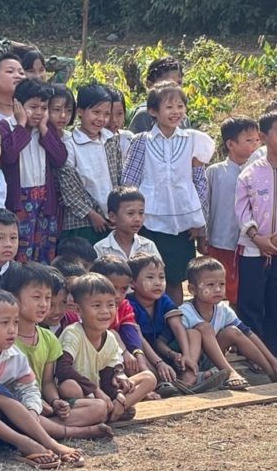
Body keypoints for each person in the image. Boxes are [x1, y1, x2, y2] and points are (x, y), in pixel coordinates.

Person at [0, 288, 84, 468]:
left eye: (15, 322)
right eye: (4, 323)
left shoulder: (15, 356)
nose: (12, 330)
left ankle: (49, 443)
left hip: (5, 423)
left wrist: (31, 413)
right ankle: (25, 444)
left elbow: (29, 388)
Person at [122, 82, 214, 303]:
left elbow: (199, 181)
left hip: (182, 221)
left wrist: (198, 220)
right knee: (146, 277)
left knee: (174, 278)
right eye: (169, 107)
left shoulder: (193, 140)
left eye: (180, 106)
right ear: (153, 111)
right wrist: (130, 217)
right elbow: (129, 182)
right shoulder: (141, 141)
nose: (176, 112)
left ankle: (175, 329)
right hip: (148, 221)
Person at [6, 263, 111, 441]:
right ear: (15, 299)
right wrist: (35, 403)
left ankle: (43, 428)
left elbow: (47, 383)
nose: (44, 305)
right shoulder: (7, 339)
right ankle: (74, 432)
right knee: (20, 414)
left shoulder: (48, 338)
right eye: (36, 297)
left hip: (45, 407)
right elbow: (8, 386)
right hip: (20, 405)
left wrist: (56, 402)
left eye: (47, 298)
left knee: (99, 407)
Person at [234, 109, 277, 359]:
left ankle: (276, 350)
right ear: (263, 136)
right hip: (252, 247)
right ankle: (253, 354)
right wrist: (256, 238)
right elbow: (241, 208)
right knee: (250, 299)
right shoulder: (250, 172)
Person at [182, 256, 277, 391]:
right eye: (210, 285)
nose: (218, 289)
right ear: (192, 289)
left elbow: (249, 334)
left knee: (233, 331)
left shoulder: (223, 309)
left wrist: (273, 361)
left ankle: (273, 372)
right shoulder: (185, 312)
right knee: (202, 329)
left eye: (222, 284)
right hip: (187, 361)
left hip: (212, 359)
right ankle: (227, 373)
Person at [56, 274, 157, 422]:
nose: (105, 311)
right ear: (78, 309)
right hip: (81, 395)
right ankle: (101, 413)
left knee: (149, 378)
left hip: (99, 394)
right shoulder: (73, 333)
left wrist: (117, 396)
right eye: (96, 306)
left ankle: (113, 410)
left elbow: (107, 379)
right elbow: (62, 369)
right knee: (69, 387)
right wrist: (95, 390)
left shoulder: (110, 338)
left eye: (111, 305)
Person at [126, 253, 227, 394]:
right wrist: (159, 363)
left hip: (164, 350)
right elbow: (138, 338)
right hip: (143, 352)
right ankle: (163, 384)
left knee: (193, 333)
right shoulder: (128, 304)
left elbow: (177, 326)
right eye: (150, 277)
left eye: (161, 277)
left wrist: (186, 355)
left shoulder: (163, 299)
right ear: (132, 283)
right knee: (139, 356)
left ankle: (189, 376)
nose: (157, 282)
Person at [0, 78, 67, 263]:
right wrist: (21, 125)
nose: (39, 113)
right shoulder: (6, 127)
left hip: (45, 200)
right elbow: (8, 156)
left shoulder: (45, 129)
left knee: (44, 251)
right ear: (17, 105)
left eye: (43, 108)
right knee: (20, 250)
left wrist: (44, 128)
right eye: (33, 107)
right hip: (19, 201)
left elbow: (60, 158)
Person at [204, 116, 260, 305]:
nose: (255, 145)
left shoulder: (259, 171)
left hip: (249, 243)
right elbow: (206, 206)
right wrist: (202, 236)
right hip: (220, 240)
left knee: (243, 292)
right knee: (217, 288)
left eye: (257, 140)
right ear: (231, 144)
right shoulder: (215, 172)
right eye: (249, 140)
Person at [58, 83, 122, 245]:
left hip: (111, 219)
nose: (101, 119)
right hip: (82, 221)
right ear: (80, 111)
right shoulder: (69, 144)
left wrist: (117, 210)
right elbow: (69, 187)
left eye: (106, 114)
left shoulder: (110, 140)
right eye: (96, 112)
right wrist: (92, 213)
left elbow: (119, 177)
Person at [92, 186, 161, 262]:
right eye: (130, 213)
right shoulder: (101, 248)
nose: (137, 219)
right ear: (112, 217)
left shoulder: (148, 246)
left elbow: (159, 272)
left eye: (141, 213)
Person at [128, 56, 186, 133]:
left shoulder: (181, 116)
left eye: (178, 83)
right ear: (150, 84)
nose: (174, 89)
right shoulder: (145, 115)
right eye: (167, 84)